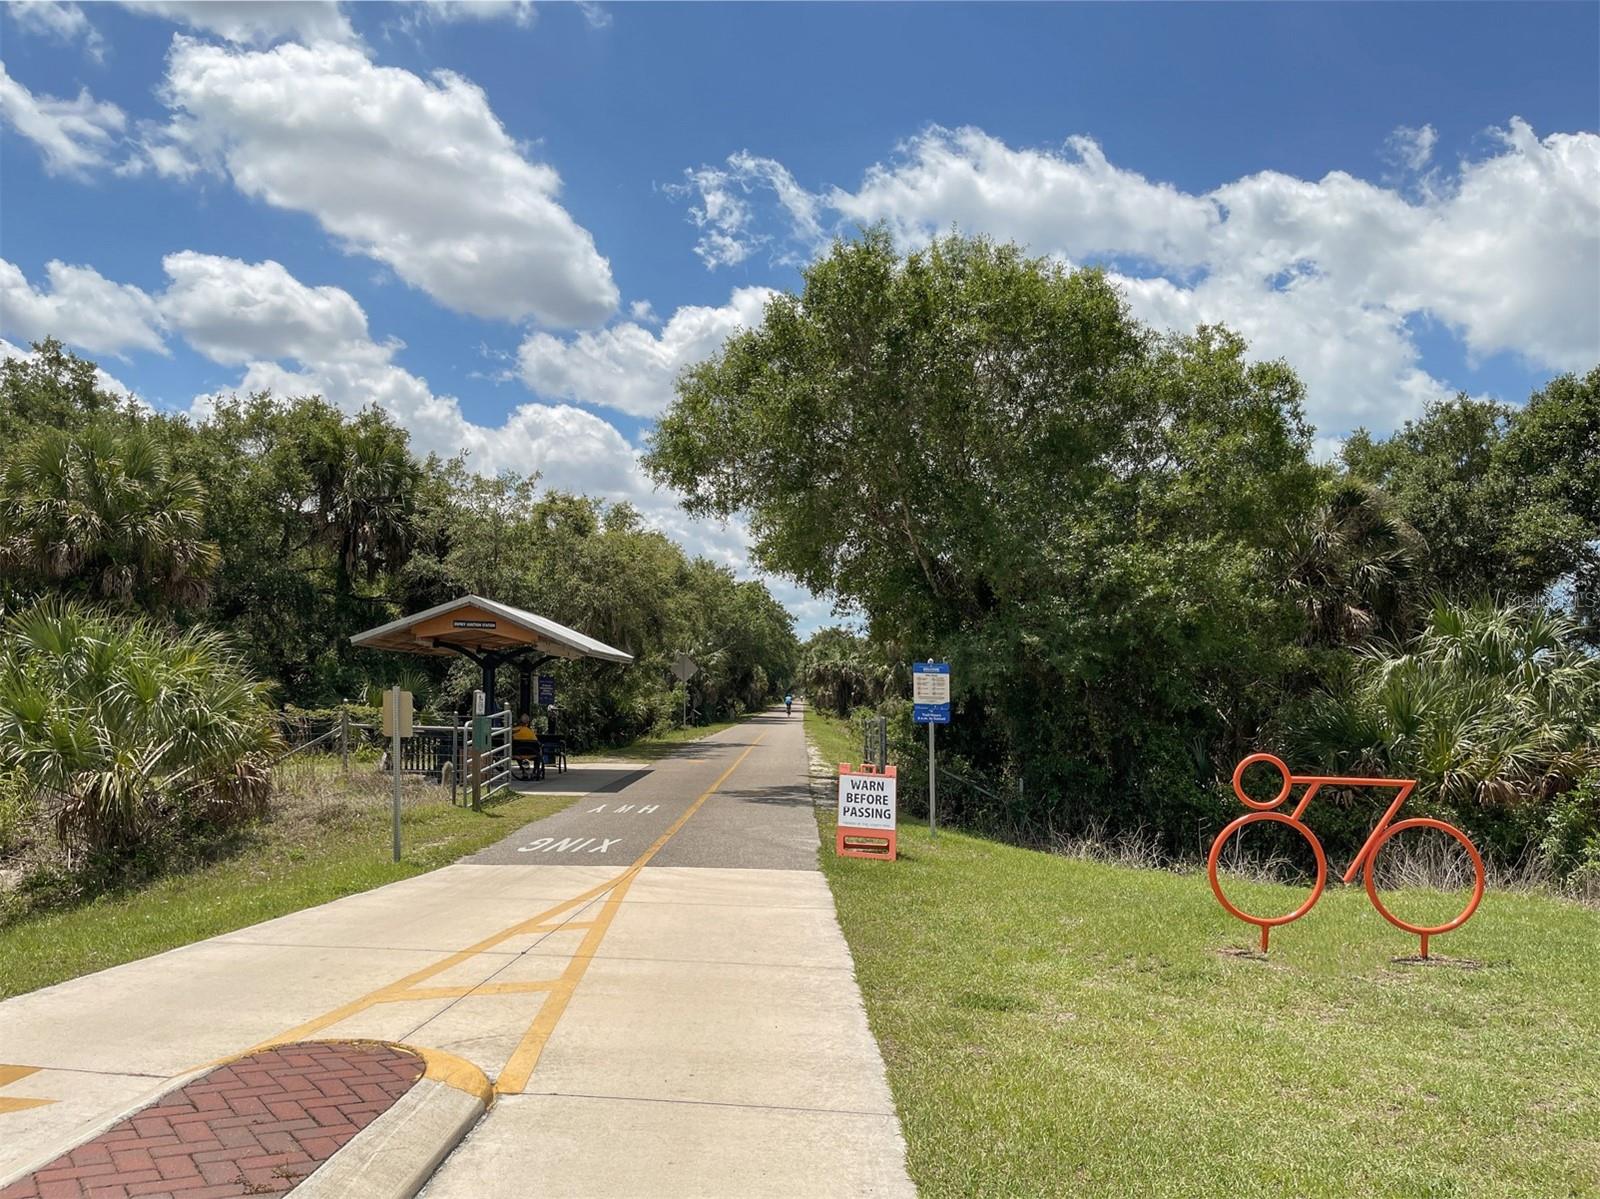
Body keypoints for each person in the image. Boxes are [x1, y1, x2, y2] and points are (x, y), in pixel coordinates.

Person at [512, 712, 542, 780]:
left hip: (518, 755)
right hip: (532, 754)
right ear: (528, 723)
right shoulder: (530, 732)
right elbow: (537, 743)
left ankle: (524, 772)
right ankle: (534, 772)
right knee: (538, 754)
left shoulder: (513, 731)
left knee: (517, 750)